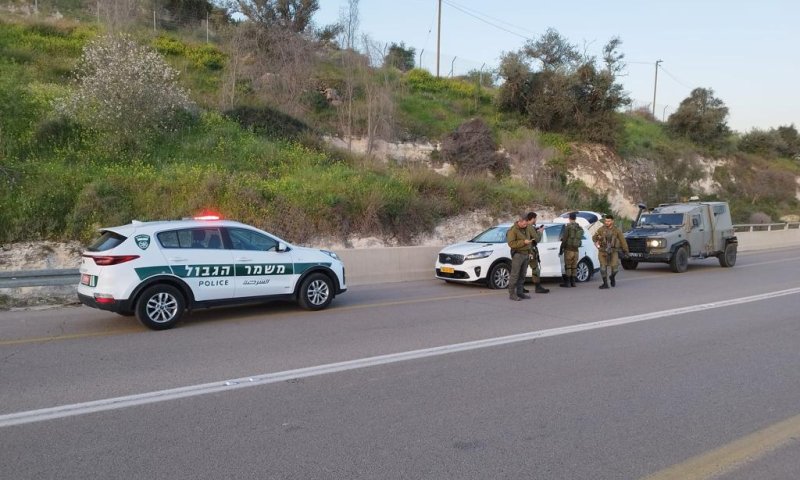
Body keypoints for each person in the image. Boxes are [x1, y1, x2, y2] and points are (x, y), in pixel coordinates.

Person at [592, 214, 629, 289]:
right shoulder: (601, 229)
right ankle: (605, 283)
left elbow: (623, 241)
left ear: (612, 221)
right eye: (606, 221)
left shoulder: (617, 230)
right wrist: (597, 238)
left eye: (608, 221)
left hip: (613, 251)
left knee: (615, 269)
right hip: (603, 251)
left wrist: (626, 251)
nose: (607, 222)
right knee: (603, 268)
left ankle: (612, 277)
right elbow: (594, 238)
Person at [506, 213, 533, 301]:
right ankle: (512, 294)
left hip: (525, 254)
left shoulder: (526, 229)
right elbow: (511, 244)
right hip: (518, 255)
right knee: (515, 275)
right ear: (520, 221)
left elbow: (529, 241)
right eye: (525, 223)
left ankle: (520, 292)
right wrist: (523, 242)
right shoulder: (513, 230)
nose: (526, 225)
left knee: (522, 275)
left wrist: (530, 252)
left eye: (526, 224)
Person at [525, 212, 549, 294]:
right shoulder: (530, 227)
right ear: (532, 218)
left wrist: (536, 230)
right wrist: (541, 232)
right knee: (535, 269)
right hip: (530, 251)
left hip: (524, 251)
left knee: (522, 269)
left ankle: (520, 287)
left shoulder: (525, 226)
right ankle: (538, 287)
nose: (536, 220)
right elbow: (537, 239)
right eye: (535, 219)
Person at [559, 211, 584, 287]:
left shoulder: (568, 227)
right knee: (574, 266)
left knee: (568, 266)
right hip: (576, 250)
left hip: (569, 250)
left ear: (569, 218)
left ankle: (568, 283)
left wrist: (561, 248)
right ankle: (573, 283)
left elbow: (565, 239)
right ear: (575, 218)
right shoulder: (579, 227)